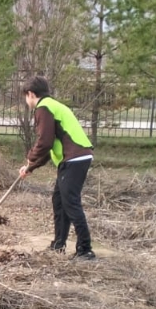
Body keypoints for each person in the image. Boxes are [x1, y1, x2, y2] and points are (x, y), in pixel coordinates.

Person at [19, 77, 96, 260]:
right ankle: (58, 245)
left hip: (74, 159)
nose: (26, 101)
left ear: (30, 94)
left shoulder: (43, 108)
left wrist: (30, 159)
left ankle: (85, 250)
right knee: (60, 202)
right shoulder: (52, 105)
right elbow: (50, 144)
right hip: (72, 159)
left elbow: (44, 142)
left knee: (70, 203)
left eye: (26, 97)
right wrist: (31, 167)